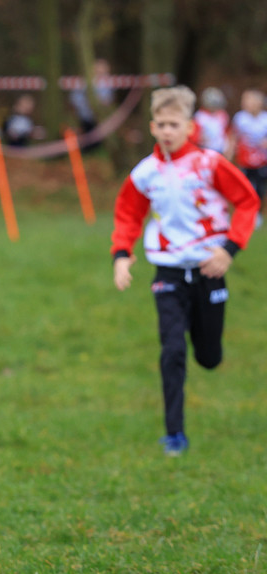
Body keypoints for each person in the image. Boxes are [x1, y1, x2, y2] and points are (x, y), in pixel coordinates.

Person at [111, 86, 259, 456]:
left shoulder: (210, 163)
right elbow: (128, 213)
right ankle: (174, 434)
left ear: (189, 126)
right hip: (169, 271)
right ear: (151, 126)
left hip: (209, 268)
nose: (166, 131)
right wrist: (121, 254)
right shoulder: (146, 173)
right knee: (172, 349)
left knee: (209, 357)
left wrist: (230, 250)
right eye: (160, 124)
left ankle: (206, 340)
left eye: (173, 124)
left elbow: (247, 201)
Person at [227, 89, 267, 203]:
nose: (245, 103)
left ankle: (258, 209)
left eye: (248, 100)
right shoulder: (240, 118)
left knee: (260, 185)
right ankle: (246, 206)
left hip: (262, 160)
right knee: (244, 184)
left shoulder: (265, 118)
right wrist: (229, 153)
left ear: (258, 103)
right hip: (244, 159)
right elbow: (233, 136)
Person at [192, 87, 229, 153]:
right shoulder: (200, 116)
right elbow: (195, 135)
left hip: (220, 150)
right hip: (205, 149)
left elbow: (225, 132)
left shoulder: (222, 115)